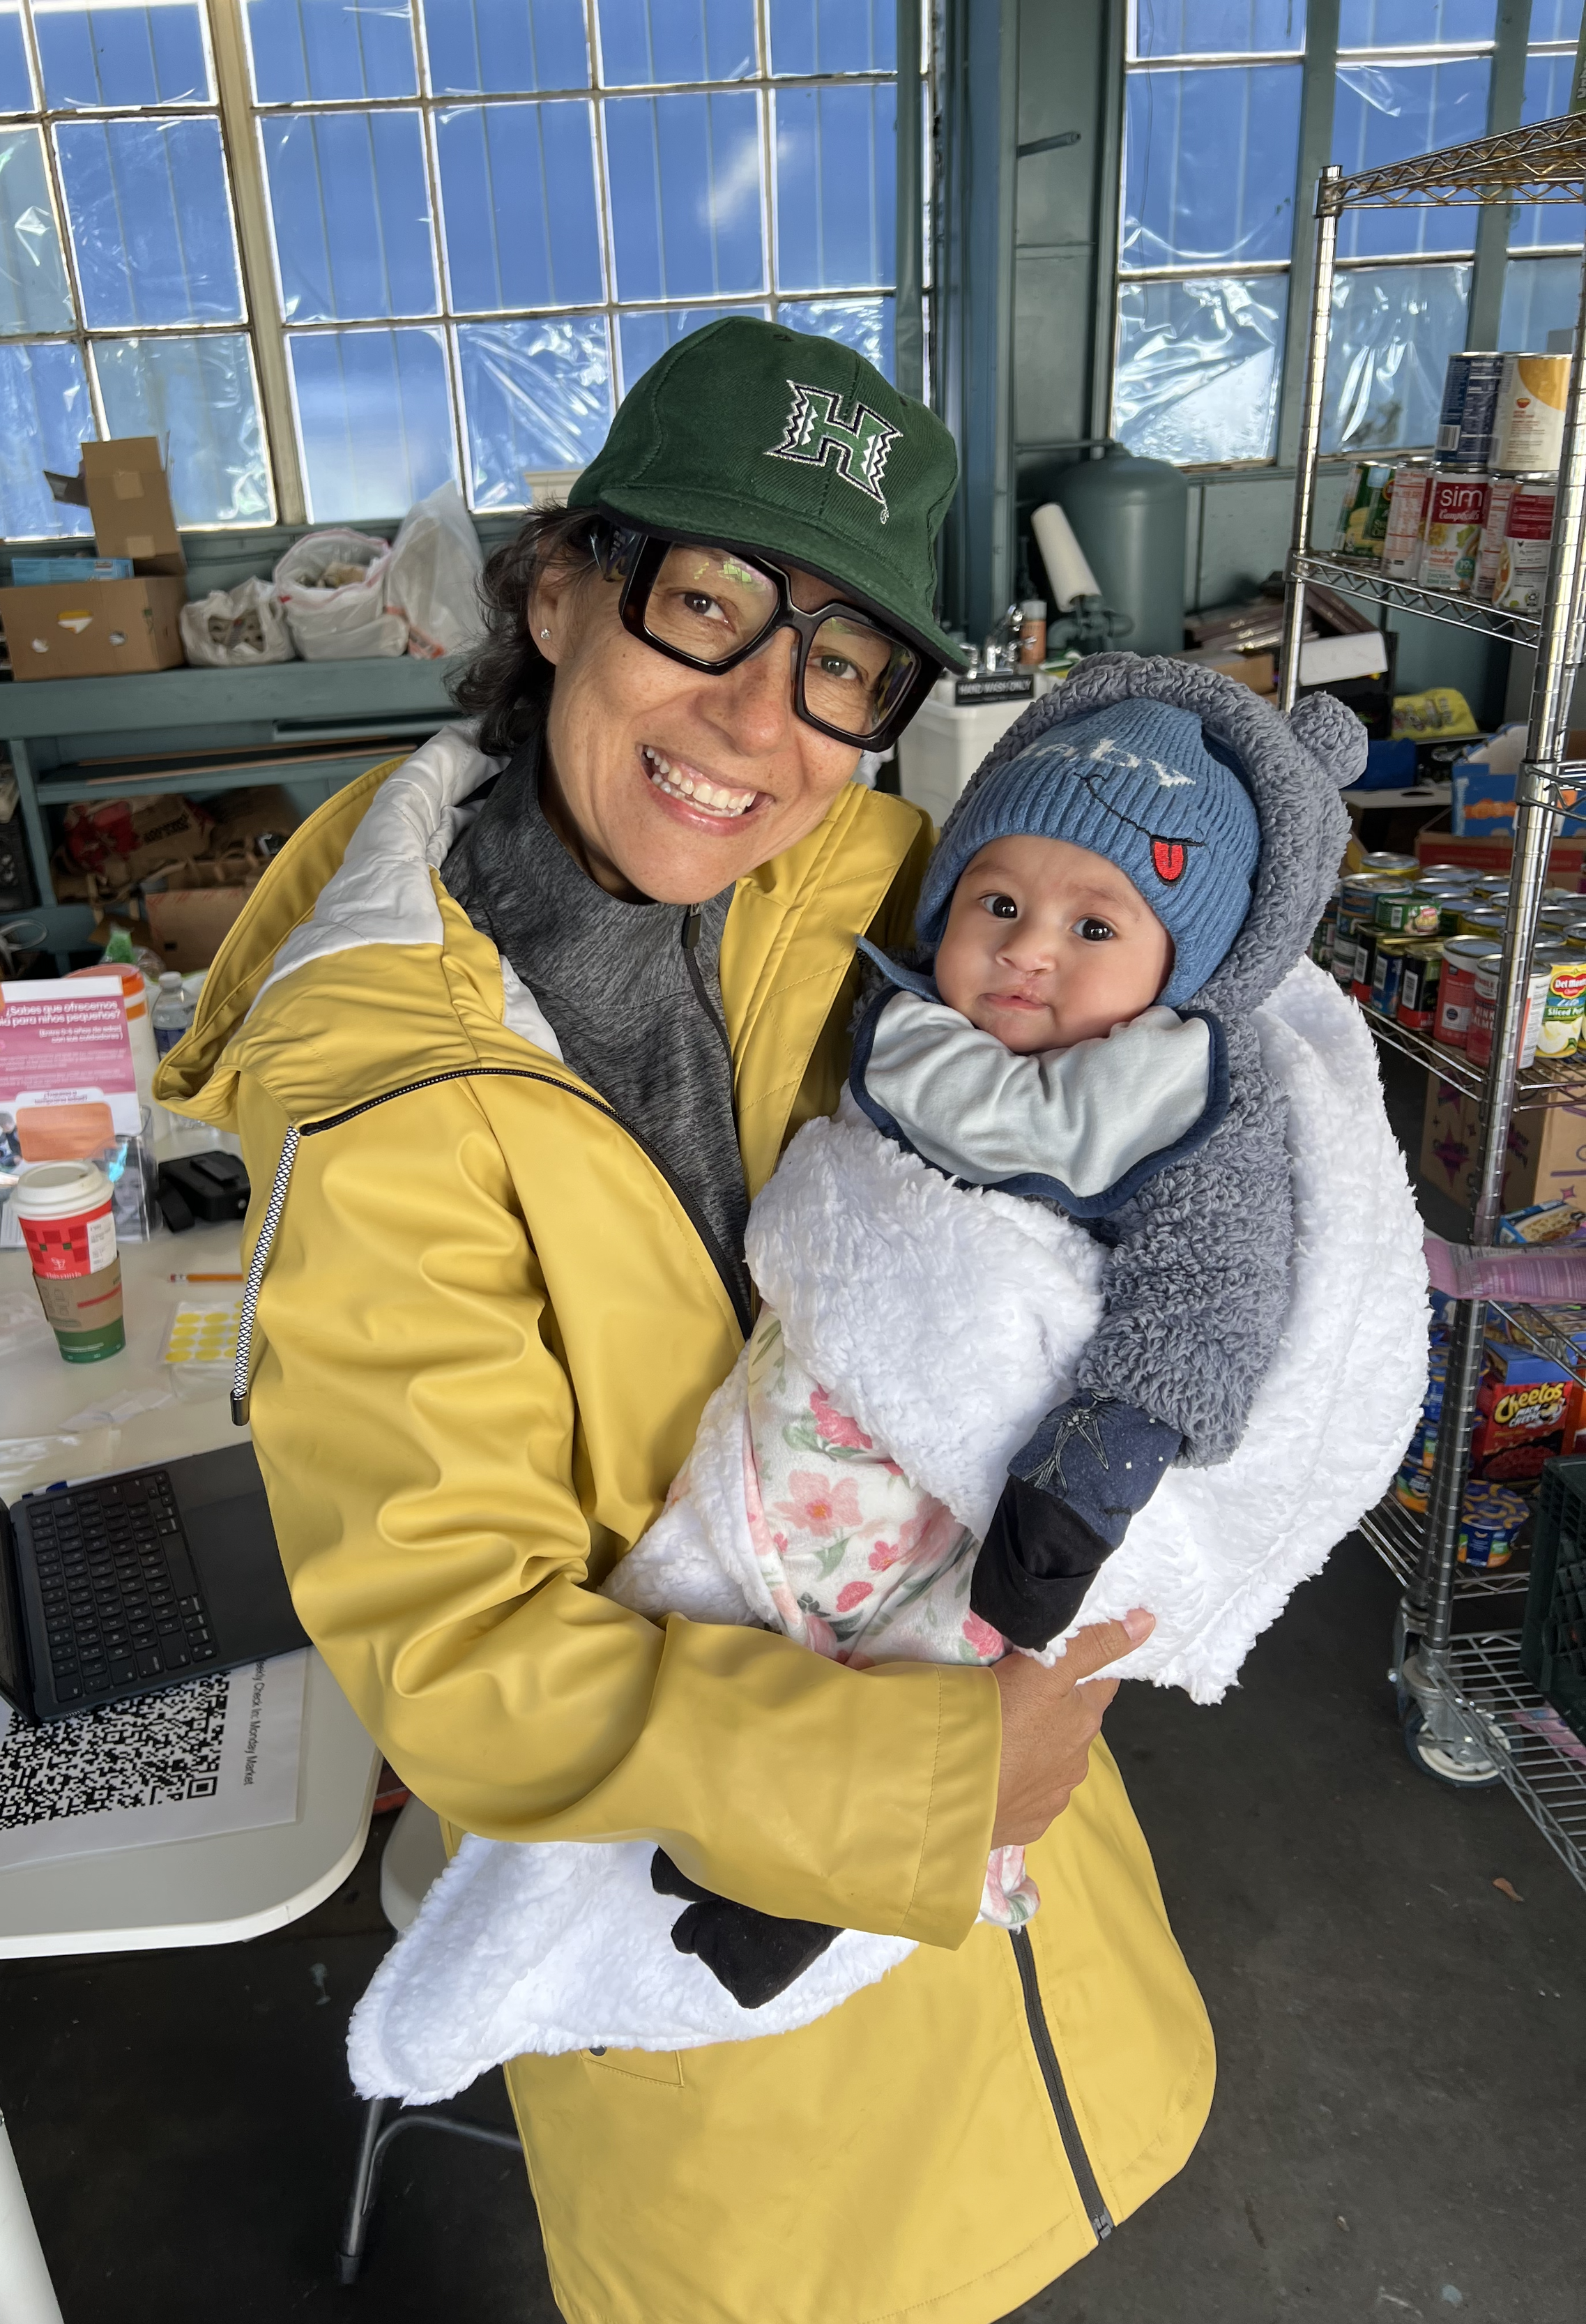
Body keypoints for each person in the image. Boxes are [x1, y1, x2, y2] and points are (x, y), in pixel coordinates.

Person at [153, 318, 1214, 2324]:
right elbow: (460, 1656)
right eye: (706, 603)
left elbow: (1188, 1030)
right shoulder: (380, 1090)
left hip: (1050, 1916)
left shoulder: (888, 884)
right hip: (743, 2011)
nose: (755, 722)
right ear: (556, 592)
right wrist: (925, 1783)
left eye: (842, 664)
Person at [347, 656, 1421, 2079]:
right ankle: (719, 1875)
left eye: (1094, 922)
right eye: (995, 904)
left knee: (933, 1673)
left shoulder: (1184, 1098)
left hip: (995, 1491)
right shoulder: (894, 1023)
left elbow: (1208, 1288)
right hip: (809, 1434)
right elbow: (840, 1191)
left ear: (1190, 960)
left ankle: (786, 1905)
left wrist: (1103, 1447)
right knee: (738, 1622)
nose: (1026, 950)